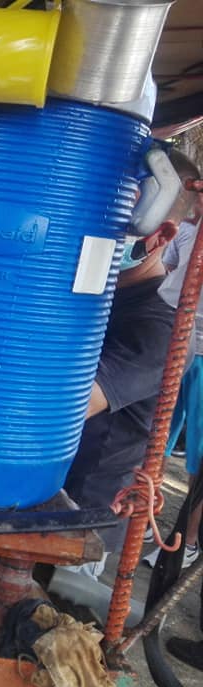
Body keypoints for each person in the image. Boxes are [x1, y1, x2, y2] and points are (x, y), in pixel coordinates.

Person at [63, 150, 202, 579]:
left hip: (80, 522)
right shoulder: (94, 299)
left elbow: (64, 406)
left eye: (114, 224)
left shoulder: (158, 329)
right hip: (38, 494)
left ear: (159, 234)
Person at [141, 176, 203, 568]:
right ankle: (145, 518)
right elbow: (166, 273)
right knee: (155, 434)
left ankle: (190, 540)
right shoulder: (187, 233)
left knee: (199, 455)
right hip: (171, 335)